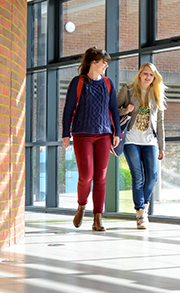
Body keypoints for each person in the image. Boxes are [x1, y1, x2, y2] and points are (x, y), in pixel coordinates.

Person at [61, 47, 121, 231]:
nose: (105, 66)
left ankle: (97, 217)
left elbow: (113, 110)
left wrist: (117, 132)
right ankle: (81, 206)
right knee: (86, 176)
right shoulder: (78, 82)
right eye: (104, 62)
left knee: (101, 177)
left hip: (104, 134)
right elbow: (68, 109)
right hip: (82, 134)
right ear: (93, 63)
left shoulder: (108, 83)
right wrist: (65, 133)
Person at [117, 62, 167, 229]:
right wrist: (126, 110)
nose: (147, 77)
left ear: (154, 78)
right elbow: (112, 111)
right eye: (145, 73)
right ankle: (140, 213)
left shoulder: (156, 93)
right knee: (138, 177)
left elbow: (160, 122)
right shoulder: (128, 91)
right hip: (131, 140)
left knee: (152, 176)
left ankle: (143, 206)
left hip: (150, 142)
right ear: (139, 74)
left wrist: (162, 146)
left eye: (151, 75)